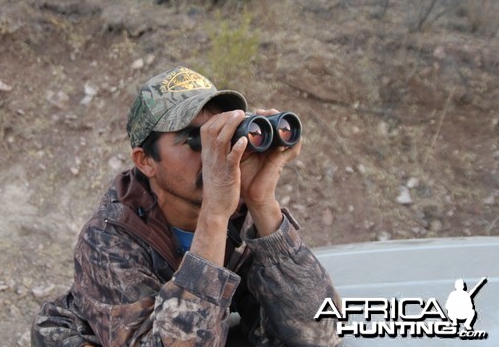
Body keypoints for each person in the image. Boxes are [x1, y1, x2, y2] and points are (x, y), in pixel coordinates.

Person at [31, 66, 341, 346]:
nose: (212, 153)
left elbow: (324, 333)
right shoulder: (110, 239)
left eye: (222, 134)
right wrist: (215, 215)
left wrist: (261, 201)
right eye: (195, 139)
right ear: (146, 161)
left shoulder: (244, 212)